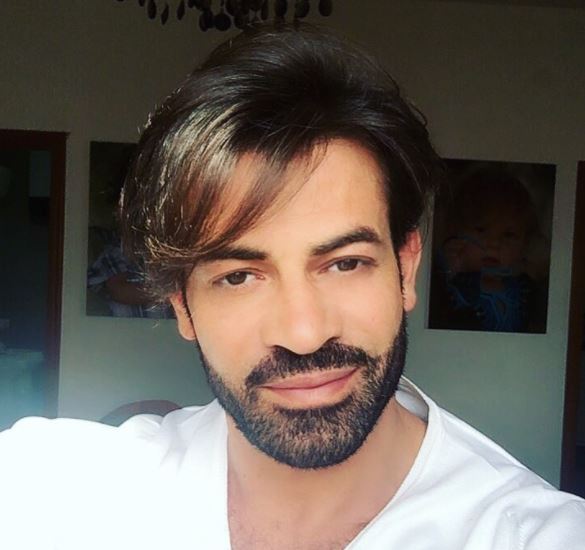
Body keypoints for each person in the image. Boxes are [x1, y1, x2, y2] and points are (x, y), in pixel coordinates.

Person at [1, 25, 584, 550]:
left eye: (345, 263)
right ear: (182, 304)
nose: (304, 334)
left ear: (406, 268)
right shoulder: (60, 491)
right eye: (238, 276)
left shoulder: (533, 534)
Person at [430, 167, 548, 332]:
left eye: (508, 235)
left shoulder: (529, 292)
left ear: (524, 244)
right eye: (481, 230)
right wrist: (447, 271)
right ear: (456, 233)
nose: (493, 244)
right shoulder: (448, 287)